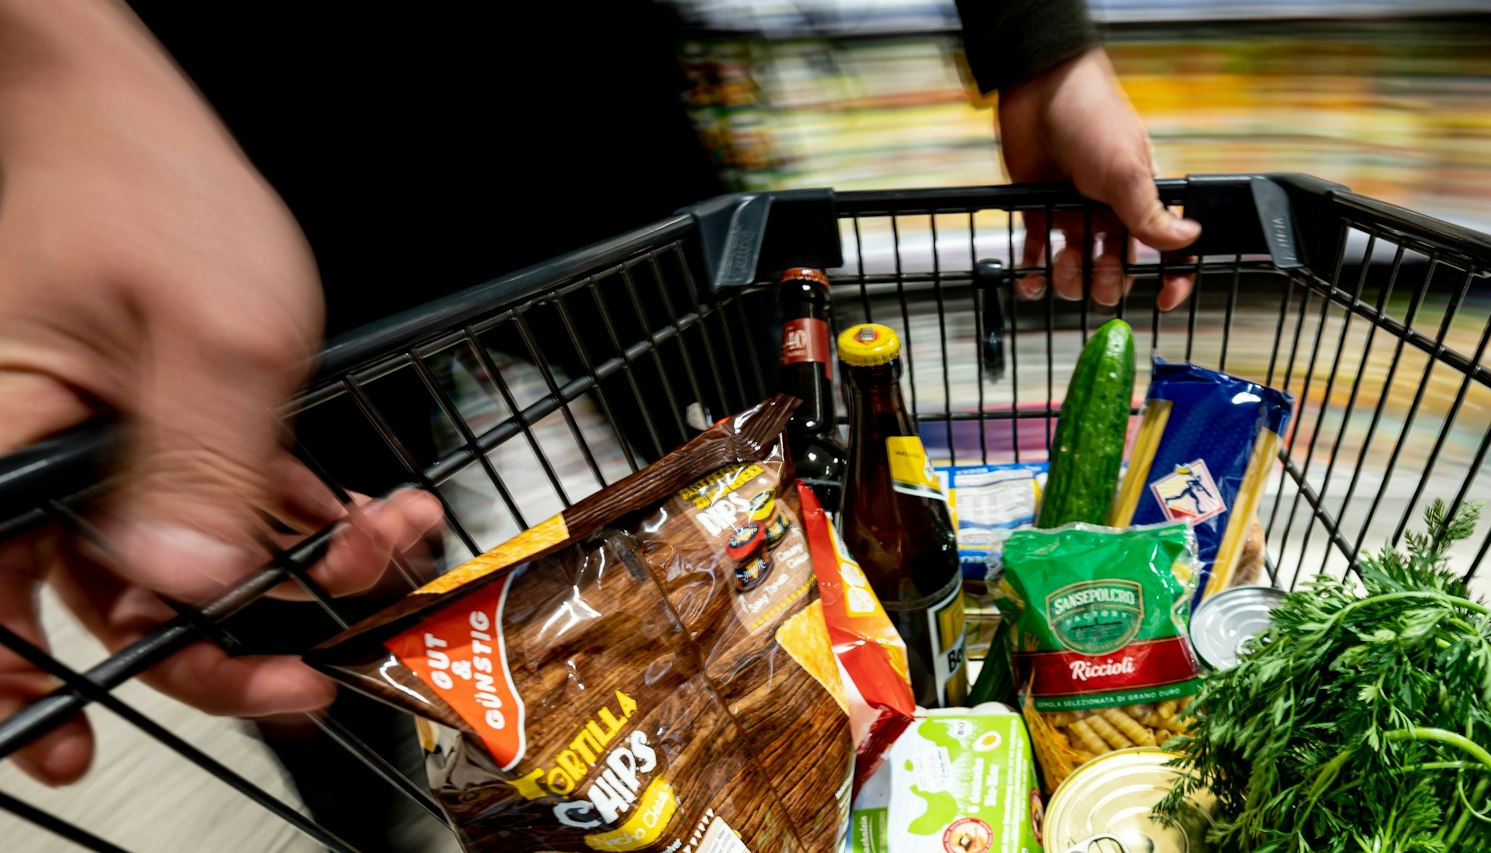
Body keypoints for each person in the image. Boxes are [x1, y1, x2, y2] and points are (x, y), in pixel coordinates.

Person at [0, 0, 1200, 788]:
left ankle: (807, 744)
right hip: (219, 150)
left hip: (589, 115)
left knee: (757, 478)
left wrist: (1038, 45)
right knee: (311, 608)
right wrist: (58, 68)